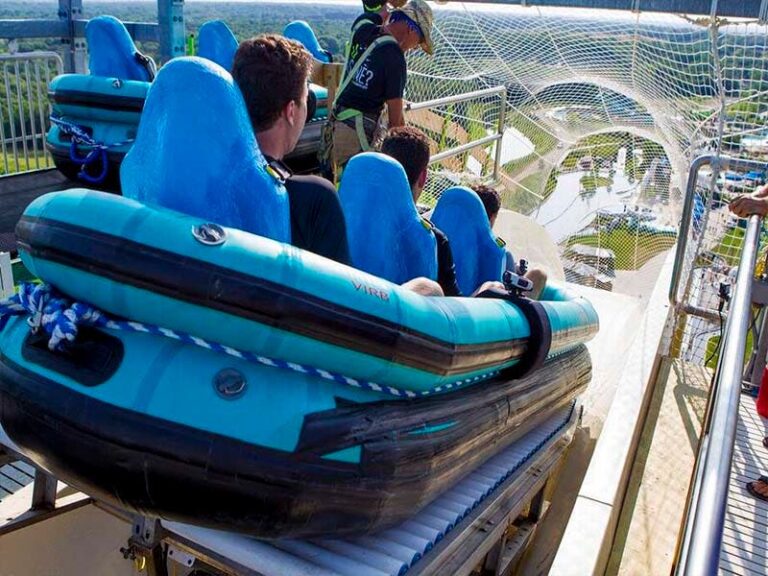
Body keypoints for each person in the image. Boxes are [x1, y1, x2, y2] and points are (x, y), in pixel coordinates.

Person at [232, 35, 351, 265]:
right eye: (306, 100)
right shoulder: (315, 201)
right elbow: (344, 286)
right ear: (291, 111)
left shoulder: (204, 180)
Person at [320, 0, 434, 181]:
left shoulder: (362, 27)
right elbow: (395, 122)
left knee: (336, 184)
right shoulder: (395, 58)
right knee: (355, 188)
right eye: (419, 41)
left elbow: (380, 13)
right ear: (411, 29)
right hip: (357, 138)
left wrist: (392, 9)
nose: (415, 48)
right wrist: (406, 157)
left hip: (335, 127)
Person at [382, 126, 500, 297]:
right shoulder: (436, 241)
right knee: (431, 288)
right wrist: (488, 288)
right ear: (423, 177)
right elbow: (454, 307)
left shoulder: (343, 216)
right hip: (390, 313)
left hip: (342, 300)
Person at [472, 183, 548, 299]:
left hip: (450, 299)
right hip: (484, 303)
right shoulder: (498, 252)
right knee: (539, 274)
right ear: (492, 217)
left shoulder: (445, 238)